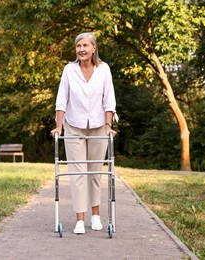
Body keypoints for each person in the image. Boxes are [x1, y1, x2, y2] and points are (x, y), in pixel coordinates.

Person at [50, 32, 117, 234]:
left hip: (98, 127)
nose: (82, 49)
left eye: (86, 45)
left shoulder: (103, 69)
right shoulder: (69, 70)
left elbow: (109, 99)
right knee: (77, 173)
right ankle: (80, 219)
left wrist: (107, 125)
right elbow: (62, 99)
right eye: (78, 46)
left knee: (95, 173)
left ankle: (95, 216)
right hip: (73, 126)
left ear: (94, 48)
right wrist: (59, 127)